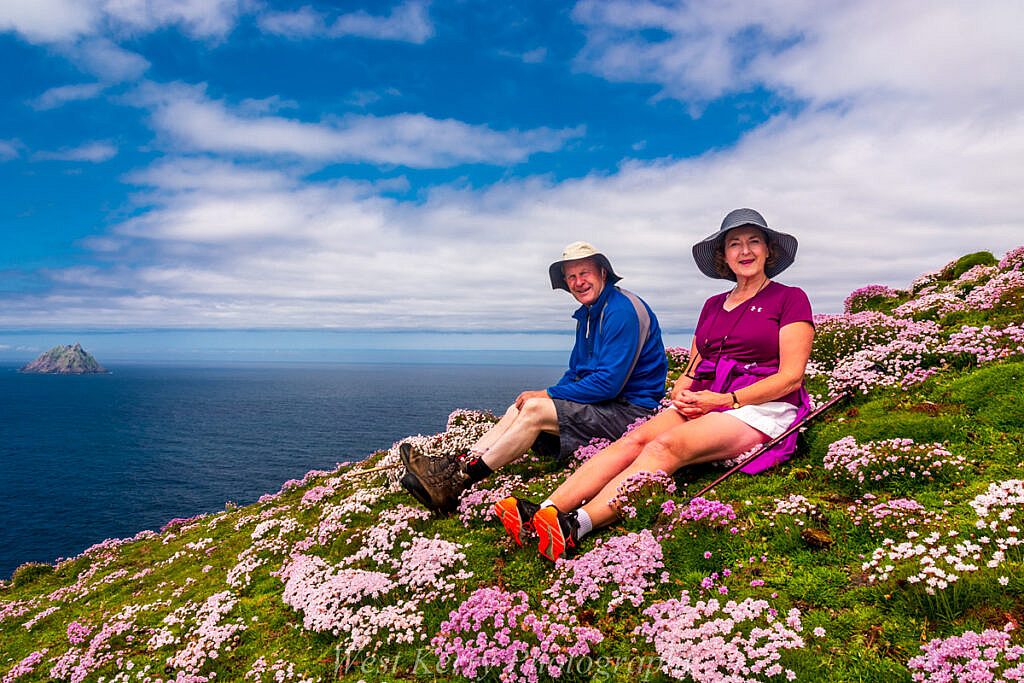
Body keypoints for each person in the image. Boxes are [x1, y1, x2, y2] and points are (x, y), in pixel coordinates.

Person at [496, 208, 815, 561]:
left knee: (665, 447)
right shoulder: (712, 305)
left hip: (758, 407)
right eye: (734, 244)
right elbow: (696, 363)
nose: (745, 251)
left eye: (754, 242)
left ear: (768, 249)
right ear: (724, 256)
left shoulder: (790, 298)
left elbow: (791, 376)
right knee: (633, 439)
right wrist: (682, 388)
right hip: (709, 398)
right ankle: (543, 510)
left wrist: (725, 399)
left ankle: (577, 525)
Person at [400, 241, 668, 514]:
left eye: (584, 273)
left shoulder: (620, 311)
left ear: (602, 272)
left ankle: (458, 482)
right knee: (520, 406)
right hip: (608, 406)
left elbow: (608, 384)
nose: (578, 282)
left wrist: (547, 395)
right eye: (571, 276)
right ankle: (456, 463)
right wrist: (546, 393)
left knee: (536, 410)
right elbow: (577, 372)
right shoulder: (590, 314)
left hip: (631, 412)